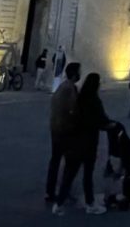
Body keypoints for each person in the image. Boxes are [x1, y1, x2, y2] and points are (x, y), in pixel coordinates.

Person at [53, 73, 110, 216]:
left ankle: (58, 204)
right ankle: (90, 204)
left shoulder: (79, 98)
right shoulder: (95, 101)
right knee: (87, 176)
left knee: (70, 174)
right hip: (88, 144)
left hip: (75, 143)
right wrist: (112, 125)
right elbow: (101, 121)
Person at [45, 61, 81, 205]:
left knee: (55, 161)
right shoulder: (70, 89)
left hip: (56, 129)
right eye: (79, 71)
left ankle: (50, 191)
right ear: (74, 74)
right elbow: (74, 109)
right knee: (70, 162)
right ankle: (64, 192)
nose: (80, 74)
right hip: (64, 130)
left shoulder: (62, 87)